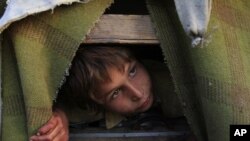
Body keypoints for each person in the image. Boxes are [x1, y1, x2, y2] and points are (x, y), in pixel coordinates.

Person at [29, 46, 183, 141]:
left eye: (132, 71)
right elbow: (64, 106)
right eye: (115, 93)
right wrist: (60, 115)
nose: (137, 93)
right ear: (95, 102)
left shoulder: (178, 87)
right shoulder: (89, 106)